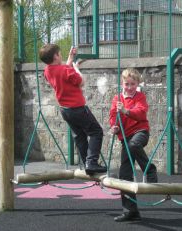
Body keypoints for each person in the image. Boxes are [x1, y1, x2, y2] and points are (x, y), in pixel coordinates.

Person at [39, 44, 106, 175]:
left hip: (65, 110)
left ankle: (86, 162)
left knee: (79, 136)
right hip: (78, 108)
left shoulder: (47, 71)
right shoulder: (66, 70)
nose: (62, 56)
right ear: (56, 56)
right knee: (96, 132)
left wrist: (70, 58)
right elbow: (81, 81)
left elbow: (62, 72)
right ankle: (91, 162)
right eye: (59, 54)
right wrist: (76, 69)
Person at [109, 68, 158, 222]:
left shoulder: (140, 97)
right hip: (125, 137)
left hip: (140, 132)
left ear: (137, 84)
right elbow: (112, 115)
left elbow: (140, 113)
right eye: (126, 84)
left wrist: (125, 110)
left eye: (132, 84)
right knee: (124, 175)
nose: (129, 87)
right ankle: (130, 210)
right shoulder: (117, 98)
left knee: (134, 145)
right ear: (122, 83)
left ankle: (150, 170)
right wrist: (114, 126)